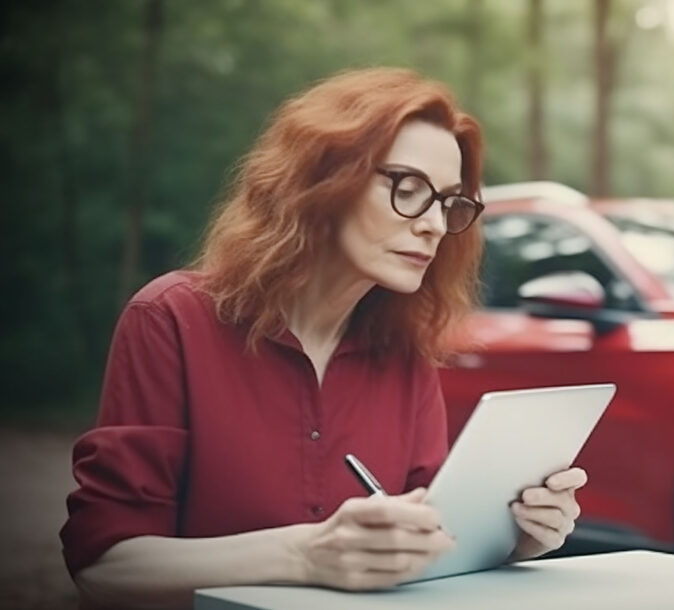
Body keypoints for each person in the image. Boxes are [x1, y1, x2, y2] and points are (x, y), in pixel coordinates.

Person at [60, 67, 587, 609]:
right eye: (409, 189)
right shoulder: (171, 319)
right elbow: (106, 568)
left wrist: (516, 537)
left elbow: (431, 546)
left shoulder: (404, 355)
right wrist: (307, 555)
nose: (432, 224)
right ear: (322, 180)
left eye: (448, 204)